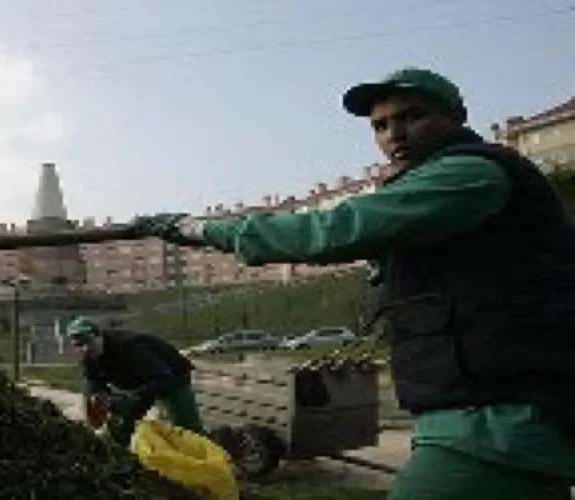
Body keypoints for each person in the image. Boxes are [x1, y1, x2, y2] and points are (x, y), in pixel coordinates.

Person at [132, 68, 575, 499]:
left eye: (411, 116)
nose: (394, 135)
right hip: (485, 418)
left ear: (456, 119)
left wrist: (199, 229)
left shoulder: (471, 173)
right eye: (380, 125)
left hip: (500, 421)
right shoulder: (439, 192)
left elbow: (336, 229)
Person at [65, 316, 204, 446]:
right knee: (120, 425)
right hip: (137, 383)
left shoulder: (128, 346)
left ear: (99, 335)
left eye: (88, 341)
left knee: (187, 431)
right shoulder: (88, 359)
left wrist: (132, 396)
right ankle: (119, 454)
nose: (85, 348)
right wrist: (95, 399)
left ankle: (210, 461)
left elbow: (163, 377)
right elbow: (93, 383)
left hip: (172, 378)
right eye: (78, 345)